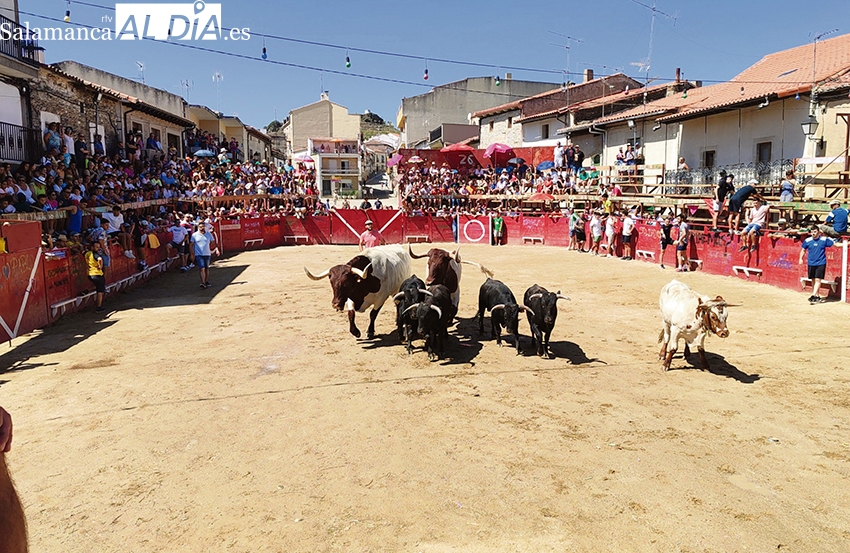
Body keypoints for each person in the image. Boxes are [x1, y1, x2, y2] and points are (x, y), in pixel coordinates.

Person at [800, 226, 835, 304]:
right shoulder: (808, 240)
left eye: (815, 232)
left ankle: (813, 295)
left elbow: (835, 244)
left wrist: (846, 243)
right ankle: (817, 296)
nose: (813, 233)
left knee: (818, 279)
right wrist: (800, 258)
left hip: (821, 263)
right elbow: (803, 250)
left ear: (819, 232)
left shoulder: (824, 239)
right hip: (811, 263)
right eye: (812, 232)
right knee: (813, 279)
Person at [190, 221, 218, 289]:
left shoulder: (208, 234)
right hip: (198, 254)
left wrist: (215, 249)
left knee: (206, 268)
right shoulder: (194, 235)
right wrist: (192, 253)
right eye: (200, 227)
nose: (201, 228)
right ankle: (203, 282)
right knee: (202, 268)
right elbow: (191, 244)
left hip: (207, 253)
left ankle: (206, 281)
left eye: (202, 227)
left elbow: (213, 242)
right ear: (198, 227)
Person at [86, 241, 107, 312]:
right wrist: (100, 266)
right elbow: (100, 259)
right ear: (92, 247)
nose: (98, 248)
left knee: (97, 285)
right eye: (96, 247)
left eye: (99, 247)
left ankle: (86, 291)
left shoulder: (87, 253)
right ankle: (98, 307)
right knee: (100, 291)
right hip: (97, 274)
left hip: (90, 274)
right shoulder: (95, 254)